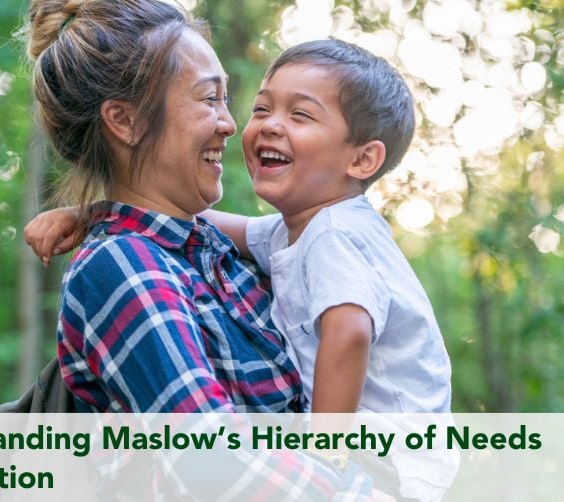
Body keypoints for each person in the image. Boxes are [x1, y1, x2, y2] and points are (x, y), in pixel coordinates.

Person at [23, 0, 376, 498]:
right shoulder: (122, 265)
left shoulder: (214, 253)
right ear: (126, 121)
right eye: (209, 99)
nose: (230, 124)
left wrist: (88, 214)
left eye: (227, 100)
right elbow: (217, 466)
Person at [27, 38, 452, 414]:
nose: (260, 124)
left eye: (301, 115)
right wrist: (90, 214)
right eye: (262, 108)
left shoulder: (334, 234)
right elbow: (197, 223)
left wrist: (327, 453)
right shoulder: (292, 233)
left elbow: (350, 332)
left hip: (387, 457)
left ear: (362, 160)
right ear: (125, 121)